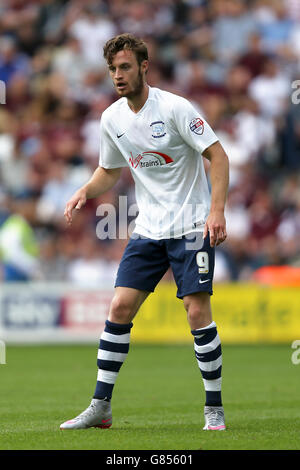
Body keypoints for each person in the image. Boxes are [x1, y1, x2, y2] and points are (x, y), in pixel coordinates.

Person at [60, 33, 229, 431]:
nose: (118, 76)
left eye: (124, 67)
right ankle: (100, 406)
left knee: (196, 311)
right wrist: (85, 189)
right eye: (112, 69)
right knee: (119, 307)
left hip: (191, 226)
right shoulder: (112, 118)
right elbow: (110, 170)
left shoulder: (174, 108)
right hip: (149, 230)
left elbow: (218, 155)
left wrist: (216, 211)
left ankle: (214, 408)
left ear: (143, 67)